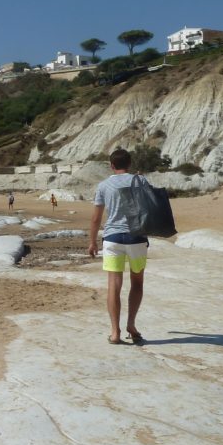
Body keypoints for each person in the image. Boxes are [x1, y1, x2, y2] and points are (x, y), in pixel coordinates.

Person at [88, 148, 149, 345]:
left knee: (114, 284)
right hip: (136, 237)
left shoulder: (104, 185)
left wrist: (92, 242)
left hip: (113, 238)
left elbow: (96, 218)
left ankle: (115, 332)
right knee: (137, 281)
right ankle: (131, 325)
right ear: (129, 164)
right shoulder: (140, 181)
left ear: (112, 165)